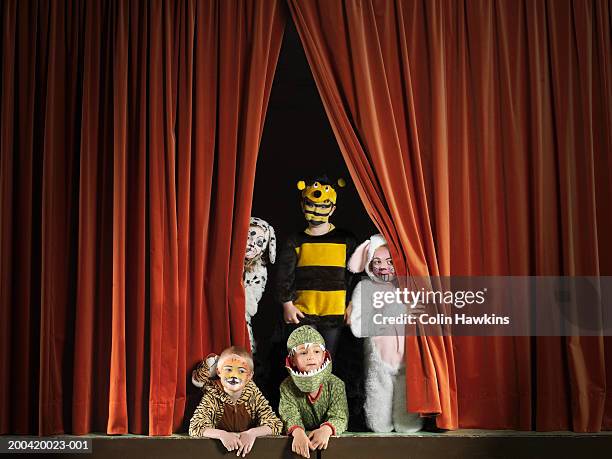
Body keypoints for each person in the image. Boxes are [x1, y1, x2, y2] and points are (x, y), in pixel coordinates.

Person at [348, 234, 423, 432]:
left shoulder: (407, 288)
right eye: (377, 261)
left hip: (407, 356)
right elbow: (358, 326)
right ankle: (379, 422)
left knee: (406, 389)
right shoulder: (364, 288)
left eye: (390, 261)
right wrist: (395, 311)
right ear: (369, 263)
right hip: (379, 357)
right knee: (379, 393)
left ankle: (407, 422)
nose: (383, 266)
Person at [275, 176, 356, 358]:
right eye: (311, 204)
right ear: (303, 205)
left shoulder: (346, 240)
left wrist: (352, 304)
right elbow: (283, 275)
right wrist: (287, 303)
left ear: (332, 208)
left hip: (334, 312)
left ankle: (324, 387)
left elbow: (354, 274)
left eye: (323, 205)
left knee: (327, 358)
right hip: (303, 312)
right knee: (304, 359)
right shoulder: (295, 240)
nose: (317, 209)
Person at [189, 346, 282, 456]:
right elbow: (195, 426)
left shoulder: (253, 394)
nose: (234, 375)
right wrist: (221, 435)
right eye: (228, 369)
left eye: (241, 371)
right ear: (219, 372)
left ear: (249, 376)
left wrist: (252, 433)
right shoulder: (212, 395)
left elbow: (275, 424)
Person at [279, 326, 348, 458]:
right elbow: (288, 413)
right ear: (292, 359)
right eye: (303, 353)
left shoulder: (336, 384)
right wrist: (298, 432)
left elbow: (340, 415)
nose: (311, 357)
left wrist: (327, 430)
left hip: (329, 443)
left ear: (324, 356)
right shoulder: (286, 386)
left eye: (316, 351)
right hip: (300, 443)